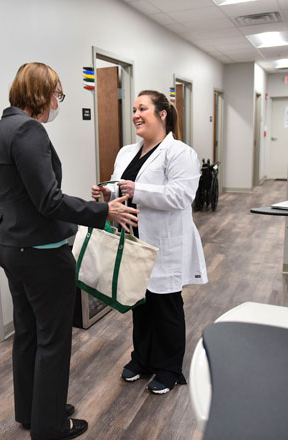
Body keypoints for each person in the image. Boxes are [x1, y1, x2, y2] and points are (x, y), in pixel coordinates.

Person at [0, 62, 138, 440]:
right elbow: (49, 201)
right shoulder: (29, 131)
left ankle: (33, 410)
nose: (58, 102)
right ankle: (50, 425)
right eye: (57, 94)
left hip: (10, 246)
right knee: (53, 338)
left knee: (28, 332)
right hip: (40, 253)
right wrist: (105, 211)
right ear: (40, 94)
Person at [92, 90, 207, 394]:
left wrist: (137, 190)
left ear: (162, 114)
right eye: (133, 109)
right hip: (133, 240)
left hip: (164, 243)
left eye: (142, 108)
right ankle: (141, 359)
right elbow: (122, 190)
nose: (136, 115)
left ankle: (169, 369)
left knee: (166, 306)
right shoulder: (127, 152)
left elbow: (181, 196)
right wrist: (108, 195)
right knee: (139, 303)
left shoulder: (180, 153)